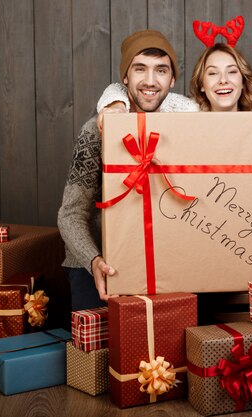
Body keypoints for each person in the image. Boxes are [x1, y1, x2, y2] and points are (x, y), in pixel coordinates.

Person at [96, 27, 252, 367]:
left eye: (231, 72)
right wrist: (115, 105)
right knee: (194, 323)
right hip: (193, 253)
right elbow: (123, 86)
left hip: (241, 249)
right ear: (202, 85)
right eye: (213, 73)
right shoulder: (185, 113)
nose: (222, 80)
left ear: (243, 81)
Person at [57, 29, 197, 312]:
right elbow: (70, 214)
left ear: (172, 80)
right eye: (139, 69)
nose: (149, 81)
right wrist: (94, 260)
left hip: (160, 259)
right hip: (97, 260)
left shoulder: (186, 131)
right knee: (103, 346)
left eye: (160, 70)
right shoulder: (95, 132)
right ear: (125, 78)